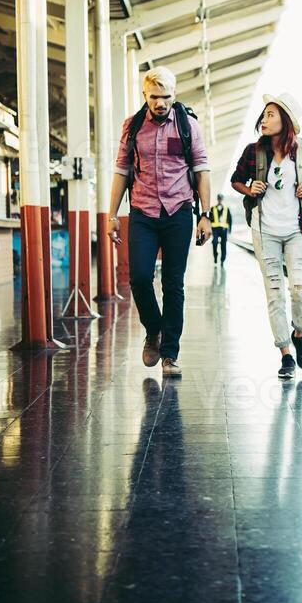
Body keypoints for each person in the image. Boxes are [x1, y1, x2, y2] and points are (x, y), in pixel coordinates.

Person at [108, 66, 212, 377]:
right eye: (154, 97)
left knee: (173, 284)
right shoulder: (132, 126)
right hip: (142, 211)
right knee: (139, 278)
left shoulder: (188, 126)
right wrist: (112, 215)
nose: (161, 102)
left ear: (174, 95)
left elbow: (202, 170)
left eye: (166, 96)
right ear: (145, 95)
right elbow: (121, 172)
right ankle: (153, 330)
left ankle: (170, 355)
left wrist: (206, 215)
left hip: (179, 211)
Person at [231, 93, 302, 379]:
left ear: (286, 121)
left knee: (299, 288)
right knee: (274, 294)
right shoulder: (253, 152)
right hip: (265, 230)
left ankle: (299, 333)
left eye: (271, 114)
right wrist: (250, 190)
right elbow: (236, 179)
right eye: (264, 114)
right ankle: (285, 354)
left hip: (297, 229)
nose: (264, 119)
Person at [209, 193, 232, 264]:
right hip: (215, 229)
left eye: (221, 199)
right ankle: (215, 257)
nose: (220, 200)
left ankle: (222, 259)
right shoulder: (213, 209)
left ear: (222, 199)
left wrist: (229, 230)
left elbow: (230, 219)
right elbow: (210, 219)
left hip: (224, 229)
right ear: (217, 199)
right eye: (219, 199)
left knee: (223, 245)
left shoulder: (226, 209)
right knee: (214, 242)